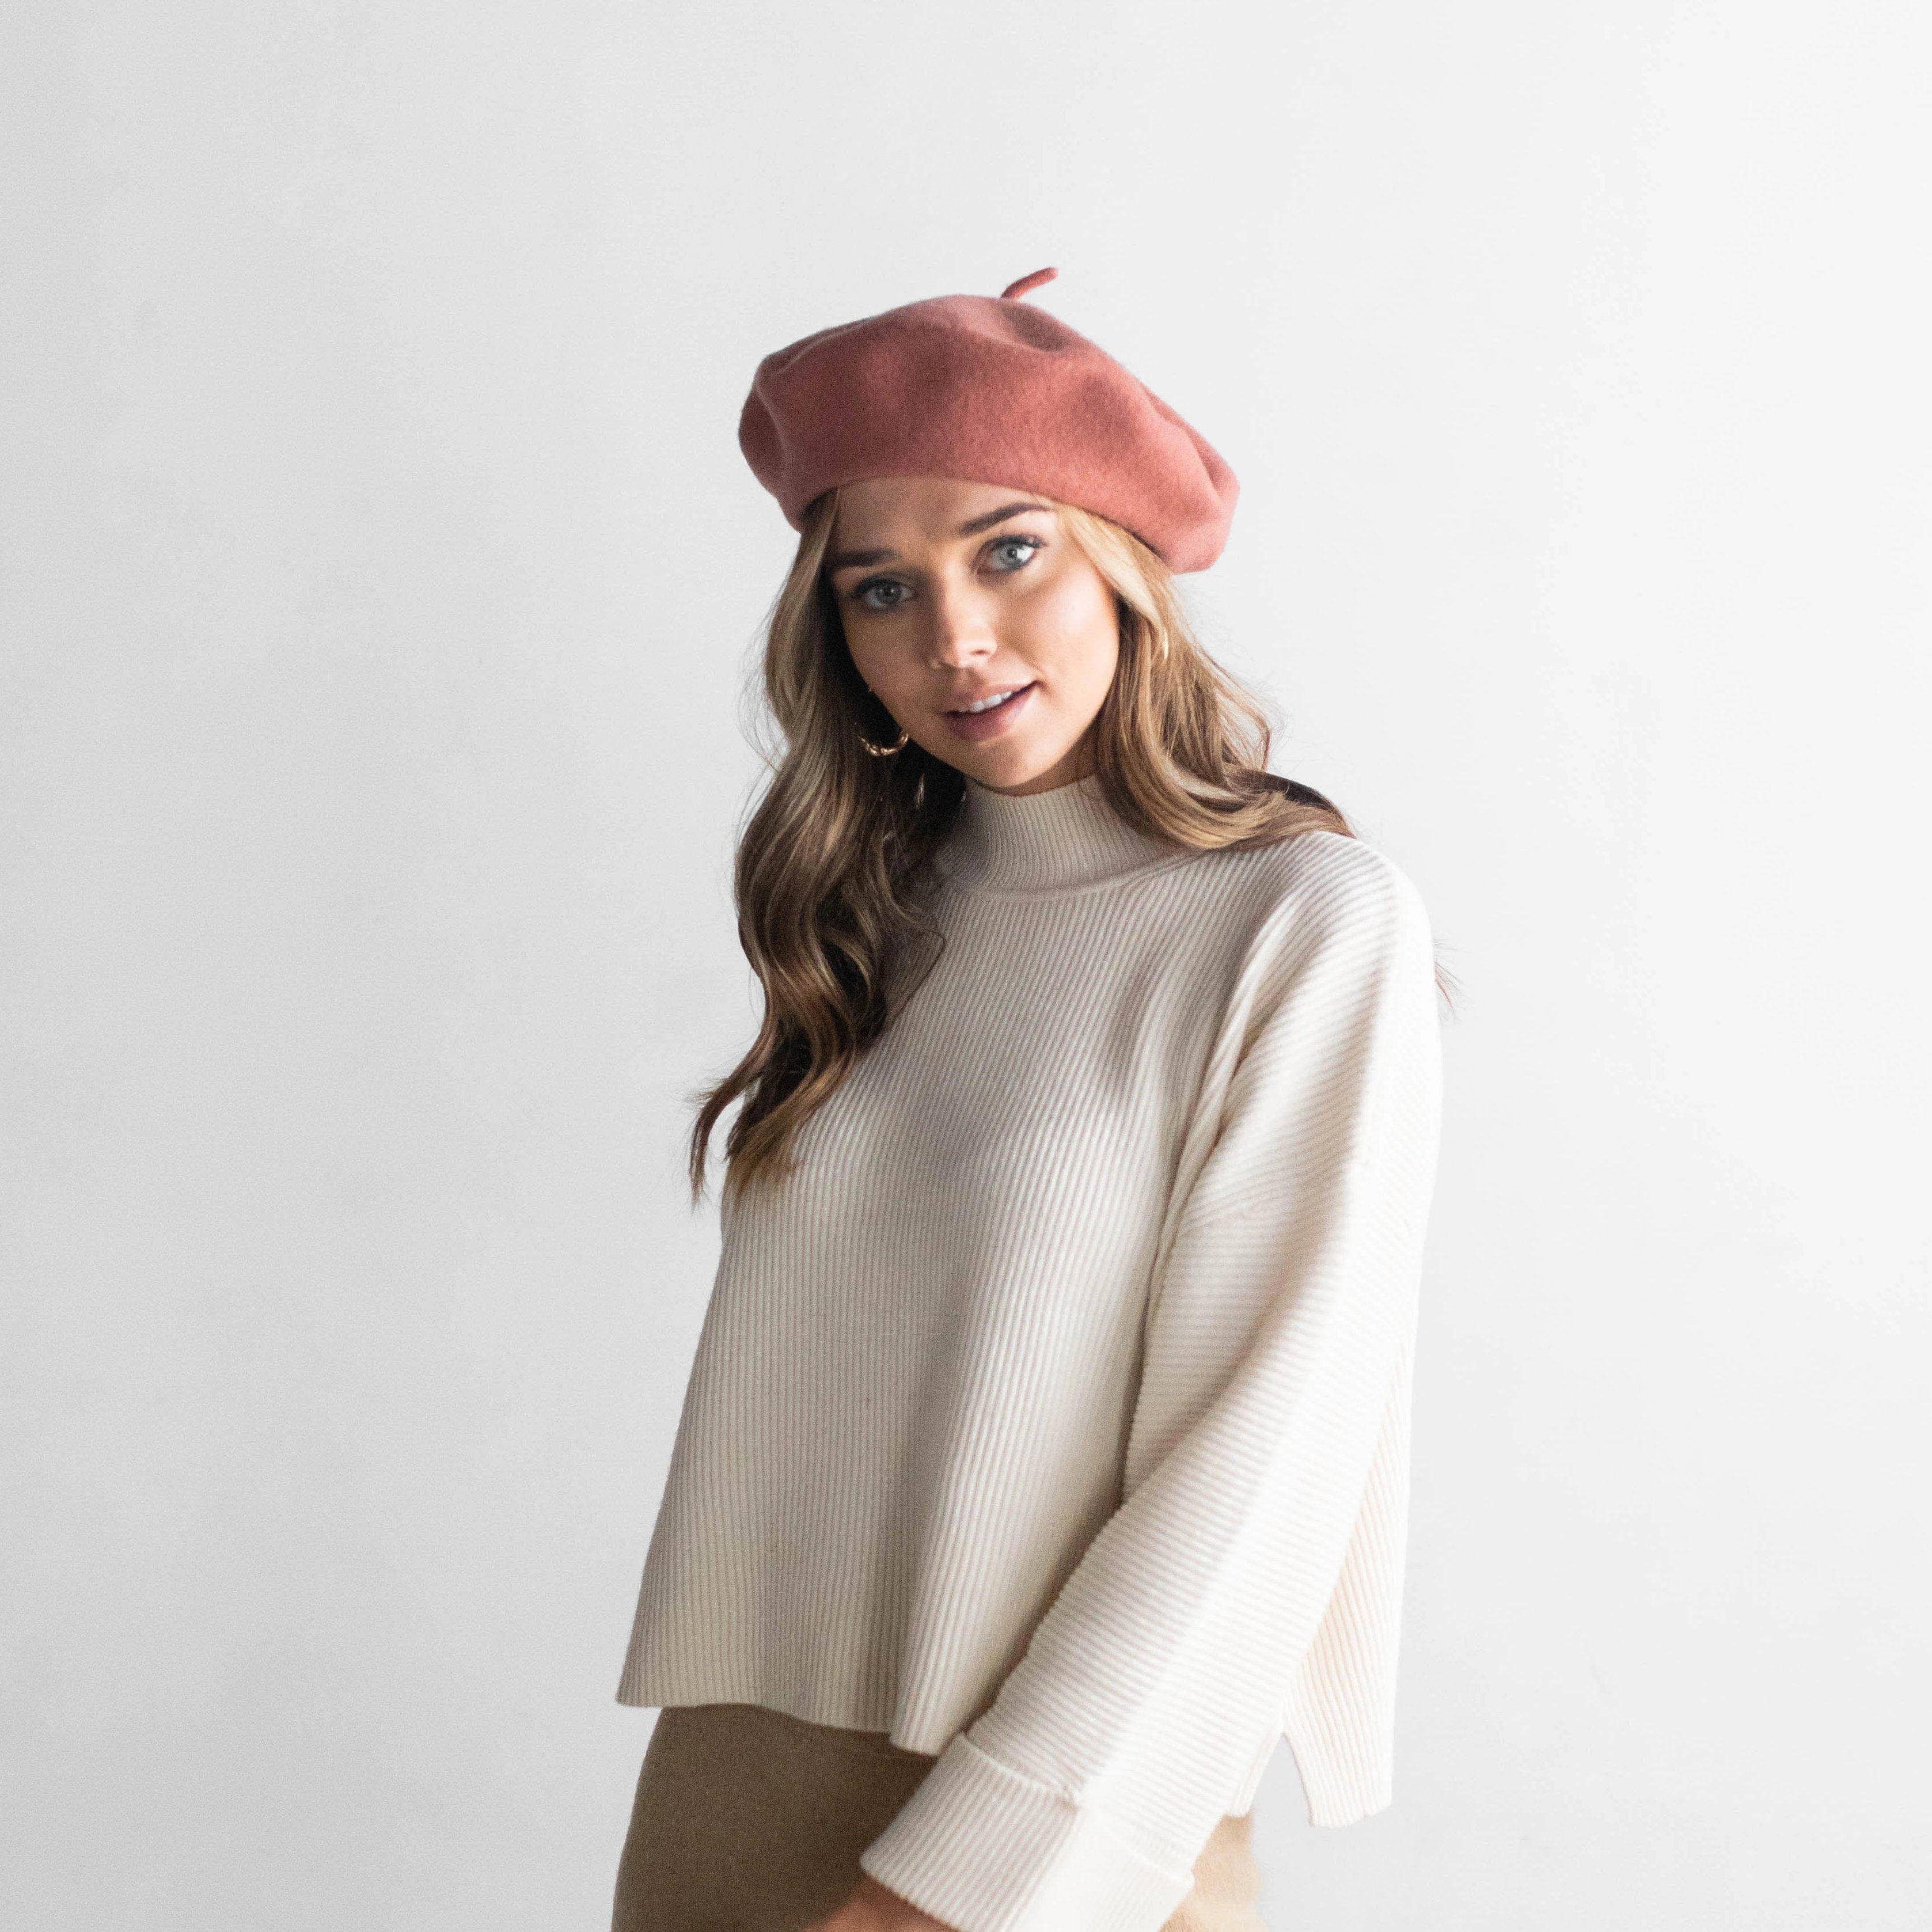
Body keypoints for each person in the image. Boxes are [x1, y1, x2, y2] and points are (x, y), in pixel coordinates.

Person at [609, 267, 1446, 1932]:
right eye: (881, 589)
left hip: (1051, 1844)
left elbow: (1258, 1469)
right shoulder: (879, 922)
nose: (953, 638)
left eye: (1007, 552)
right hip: (729, 1799)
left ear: (1123, 562)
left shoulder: (1299, 924)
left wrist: (957, 1890)